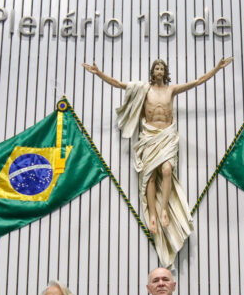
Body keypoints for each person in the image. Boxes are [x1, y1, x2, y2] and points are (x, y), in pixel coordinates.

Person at [82, 57, 232, 266]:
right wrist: (98, 73)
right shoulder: (143, 90)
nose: (159, 70)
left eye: (162, 67)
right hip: (150, 136)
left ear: (165, 71)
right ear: (152, 72)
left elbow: (198, 82)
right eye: (156, 67)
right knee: (150, 177)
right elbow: (118, 84)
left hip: (167, 135)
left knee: (168, 169)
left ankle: (163, 209)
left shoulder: (171, 90)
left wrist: (217, 68)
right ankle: (152, 214)